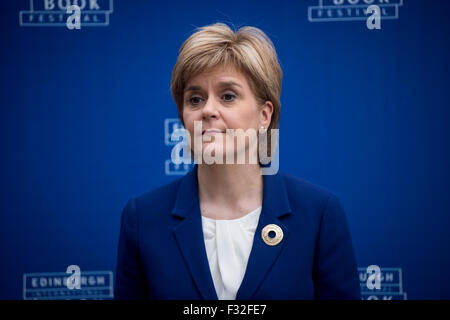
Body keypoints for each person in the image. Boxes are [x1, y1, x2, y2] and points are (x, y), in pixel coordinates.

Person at [114, 22, 360, 300]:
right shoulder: (142, 218)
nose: (207, 109)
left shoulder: (319, 214)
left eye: (228, 96)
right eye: (195, 99)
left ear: (264, 116)